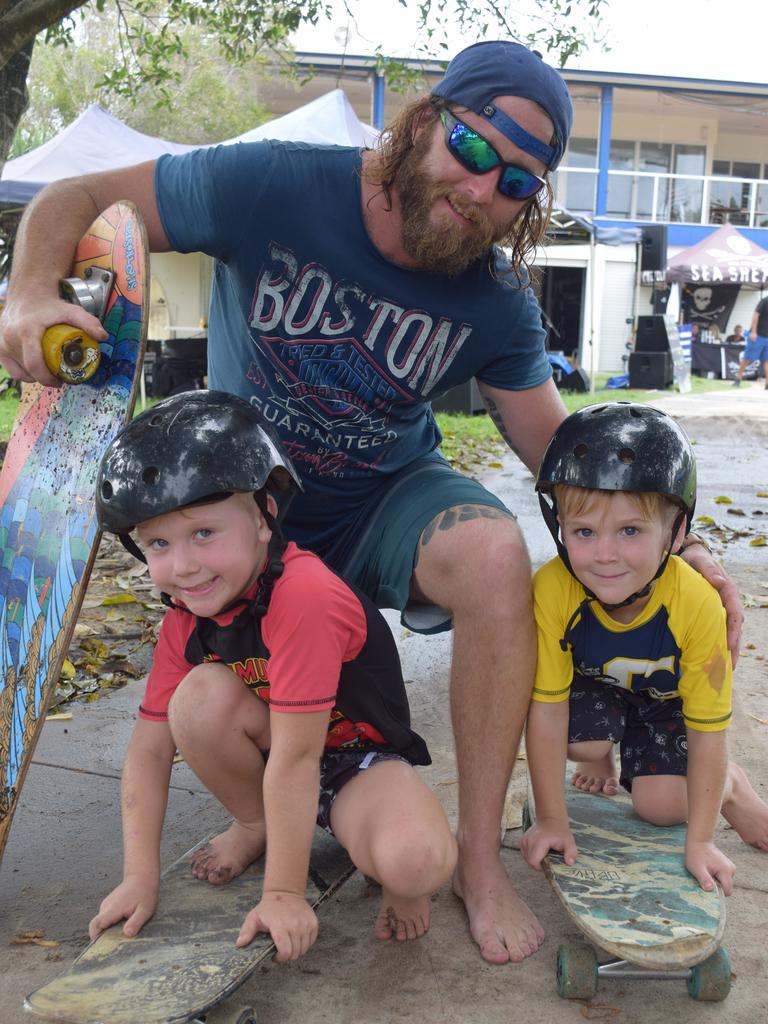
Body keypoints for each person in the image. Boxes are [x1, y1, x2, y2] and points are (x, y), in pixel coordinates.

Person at [0, 41, 743, 964]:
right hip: (251, 506)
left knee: (493, 552)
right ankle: (271, 821)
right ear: (425, 119)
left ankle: (477, 862)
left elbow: (565, 451)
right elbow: (76, 200)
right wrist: (28, 294)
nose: (483, 190)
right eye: (473, 151)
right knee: (194, 700)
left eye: (516, 180)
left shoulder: (497, 303)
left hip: (386, 500)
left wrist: (685, 543)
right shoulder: (271, 184)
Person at [89, 390, 457, 958]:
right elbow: (148, 749)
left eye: (204, 533)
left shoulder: (303, 596)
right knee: (198, 698)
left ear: (264, 516)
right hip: (276, 756)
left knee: (416, 864)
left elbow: (300, 757)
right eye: (159, 543)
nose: (183, 566)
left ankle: (367, 852)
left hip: (355, 759)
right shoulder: (185, 615)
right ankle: (257, 823)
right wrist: (140, 876)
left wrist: (284, 892)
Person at [521, 403, 768, 894]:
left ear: (676, 533)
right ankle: (601, 756)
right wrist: (552, 818)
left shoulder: (698, 605)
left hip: (667, 707)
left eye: (630, 530)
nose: (605, 554)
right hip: (600, 692)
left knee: (659, 807)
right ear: (559, 529)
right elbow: (546, 708)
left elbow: (706, 730)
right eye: (584, 532)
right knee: (577, 740)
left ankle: (732, 786)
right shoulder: (551, 588)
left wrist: (699, 843)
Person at [734, 297, 768, 387]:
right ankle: (738, 379)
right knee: (747, 358)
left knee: (766, 360)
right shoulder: (765, 301)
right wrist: (753, 332)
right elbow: (755, 315)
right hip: (757, 335)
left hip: (766, 337)